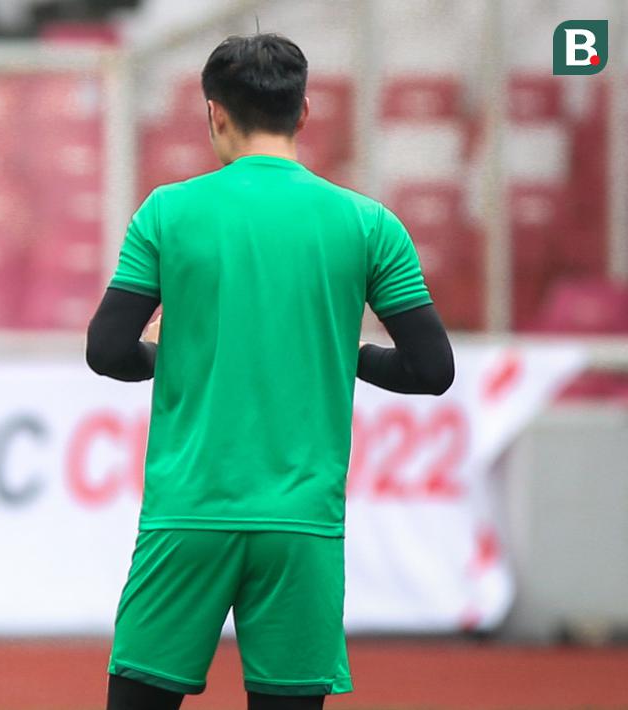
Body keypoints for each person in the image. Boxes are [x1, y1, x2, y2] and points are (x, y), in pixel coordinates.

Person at [86, 33, 454, 710]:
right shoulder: (368, 223)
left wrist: (164, 356)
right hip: (301, 523)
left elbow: (106, 350)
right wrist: (346, 354)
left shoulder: (167, 213)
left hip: (188, 514)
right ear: (304, 112)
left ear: (213, 113)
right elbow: (431, 369)